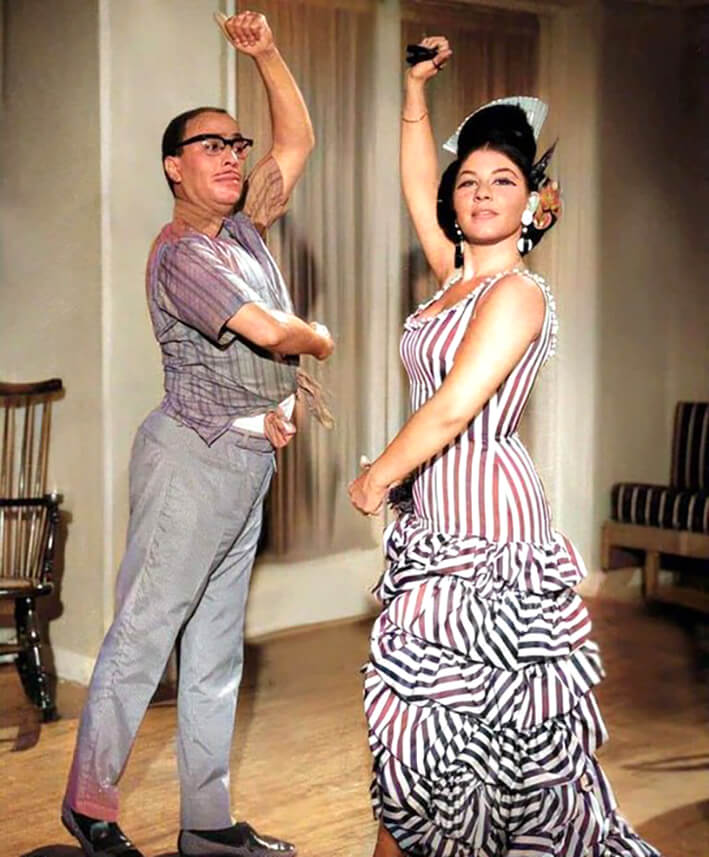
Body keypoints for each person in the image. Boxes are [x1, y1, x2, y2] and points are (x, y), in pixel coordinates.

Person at [349, 36, 660, 857]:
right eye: (469, 181)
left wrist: (377, 475)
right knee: (418, 733)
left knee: (485, 740)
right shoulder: (453, 275)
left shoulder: (517, 294)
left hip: (490, 532)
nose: (481, 192)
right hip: (433, 530)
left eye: (502, 180)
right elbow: (416, 178)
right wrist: (413, 94)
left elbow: (453, 407)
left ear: (531, 203)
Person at [62, 11, 332, 857]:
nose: (231, 155)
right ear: (173, 167)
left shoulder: (243, 229)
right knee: (145, 633)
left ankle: (207, 826)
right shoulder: (183, 253)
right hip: (191, 459)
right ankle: (90, 805)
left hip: (245, 462)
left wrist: (267, 53)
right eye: (209, 145)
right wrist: (318, 338)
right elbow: (270, 331)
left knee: (215, 653)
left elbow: (298, 140)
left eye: (235, 144)